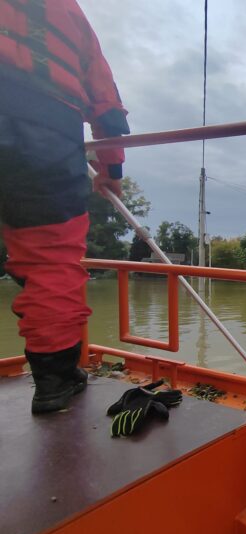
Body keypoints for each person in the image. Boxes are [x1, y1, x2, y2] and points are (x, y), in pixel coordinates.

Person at [0, 0, 129, 413]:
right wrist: (111, 169)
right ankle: (55, 383)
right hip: (42, 133)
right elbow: (107, 106)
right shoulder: (67, 11)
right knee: (51, 261)